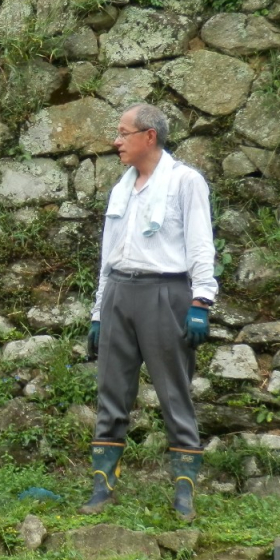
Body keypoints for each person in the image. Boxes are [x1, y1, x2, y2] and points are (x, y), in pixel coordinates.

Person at [81, 104, 216, 522]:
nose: (115, 141)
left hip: (166, 291)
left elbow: (199, 243)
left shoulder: (185, 182)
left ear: (149, 137)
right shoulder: (122, 188)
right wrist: (99, 311)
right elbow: (108, 254)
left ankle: (184, 492)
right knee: (111, 390)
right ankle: (102, 487)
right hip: (121, 291)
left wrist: (201, 301)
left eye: (123, 133)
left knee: (174, 392)